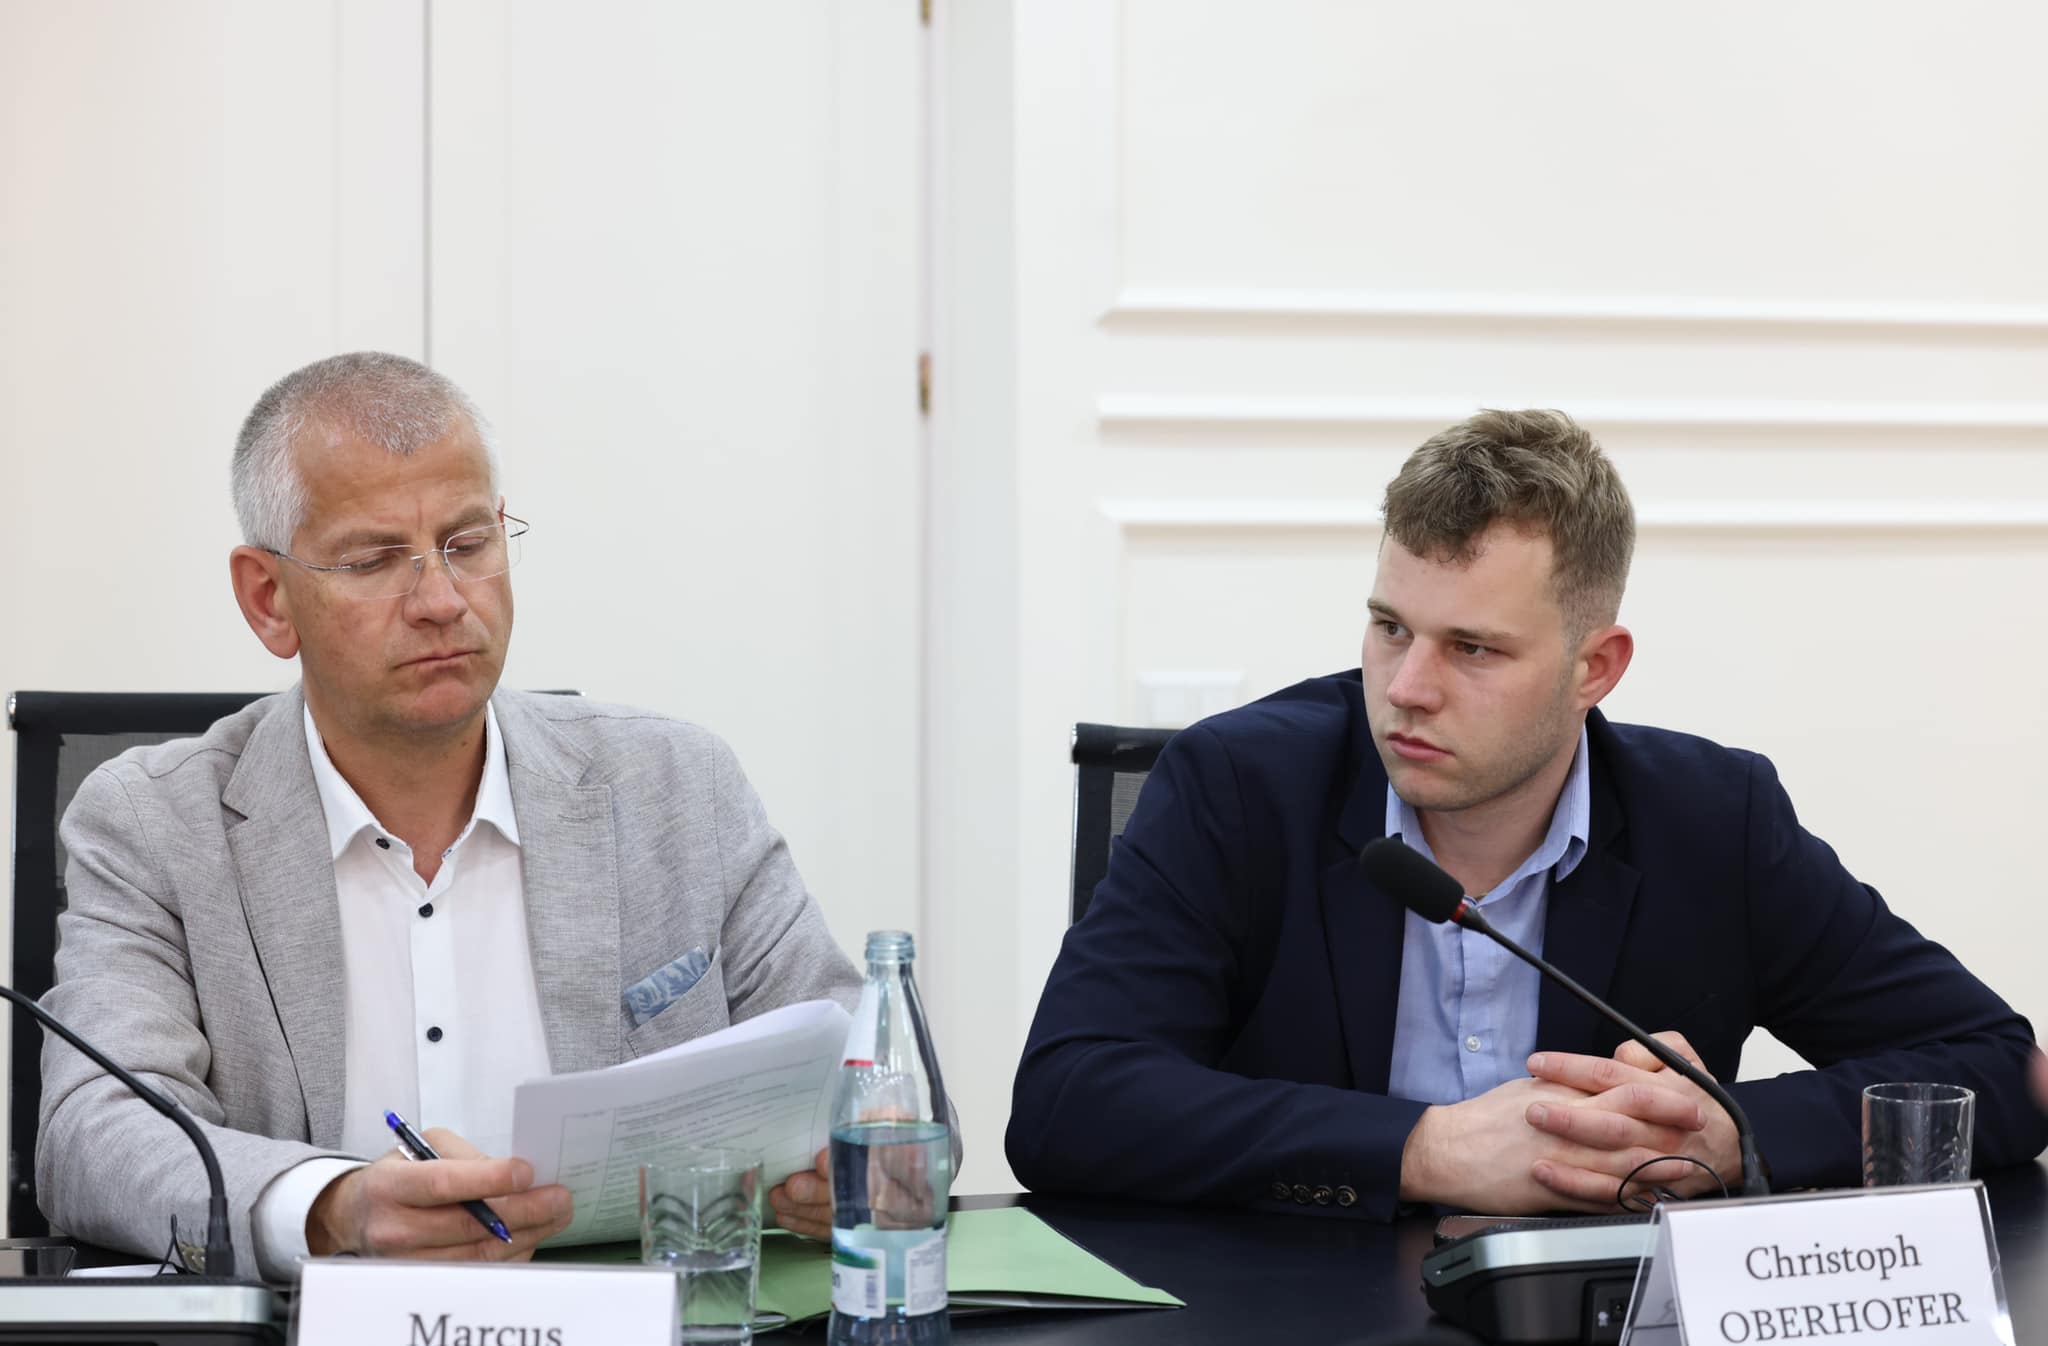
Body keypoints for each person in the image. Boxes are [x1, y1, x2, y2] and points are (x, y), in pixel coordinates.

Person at [1008, 409, 2048, 1219]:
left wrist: (1729, 1133)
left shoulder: (1711, 819)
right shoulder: (1238, 785)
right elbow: (1068, 1099)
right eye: (1389, 627)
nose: (1405, 688)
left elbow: (1997, 1066)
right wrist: (1423, 1148)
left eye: (1472, 648)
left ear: (1595, 667)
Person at [39, 352, 857, 1276]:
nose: (441, 601)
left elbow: (870, 1071)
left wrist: (870, 1157)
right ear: (269, 599)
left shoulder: (676, 787)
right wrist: (334, 1205)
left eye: (467, 545)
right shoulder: (153, 825)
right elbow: (92, 1136)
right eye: (373, 560)